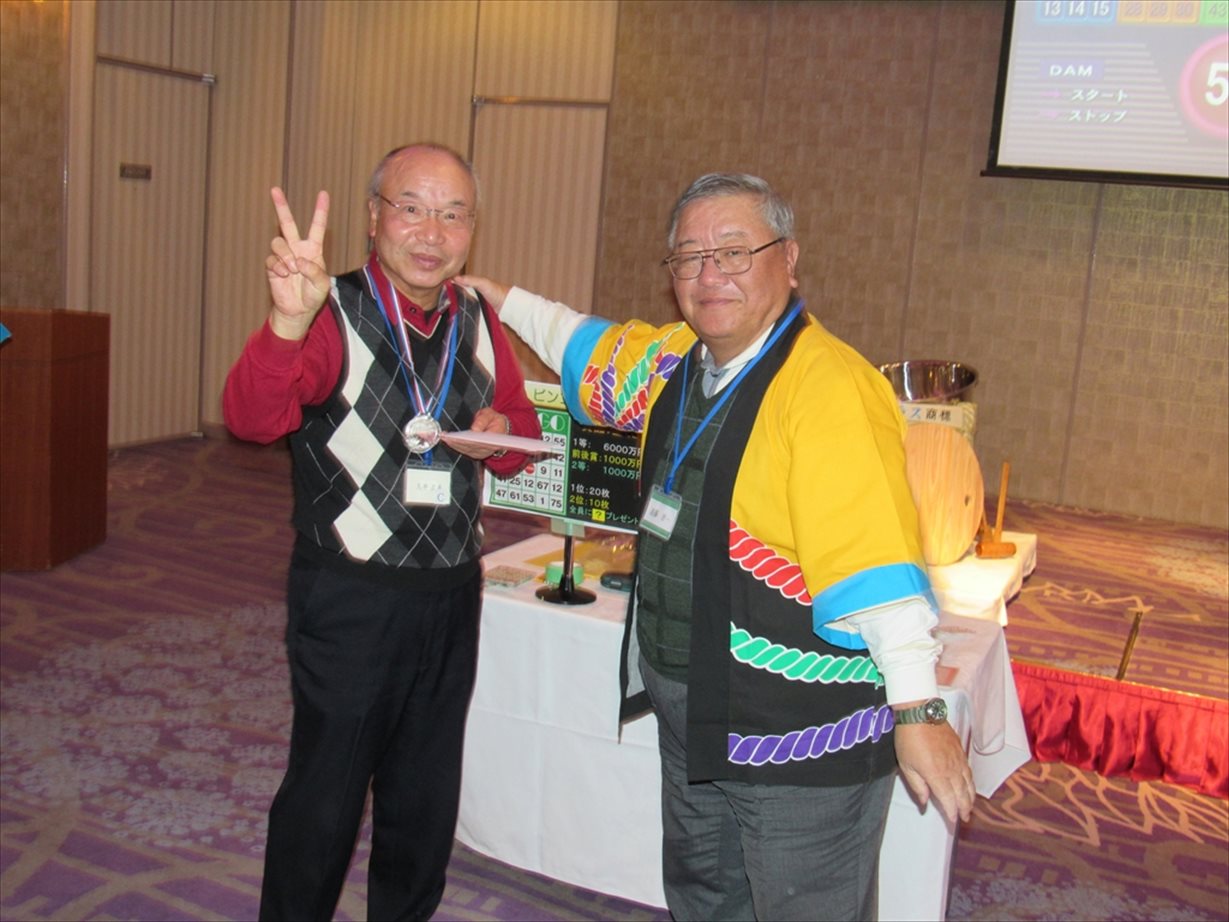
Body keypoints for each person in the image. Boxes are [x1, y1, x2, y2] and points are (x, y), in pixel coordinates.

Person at [458, 172, 976, 921]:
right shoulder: (678, 358)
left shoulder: (827, 387)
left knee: (803, 909)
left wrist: (918, 713)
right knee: (705, 897)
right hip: (696, 715)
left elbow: (876, 565)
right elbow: (588, 344)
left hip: (799, 737)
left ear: (787, 258)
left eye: (733, 252)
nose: (709, 276)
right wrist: (497, 298)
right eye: (689, 258)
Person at [223, 142, 541, 921]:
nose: (432, 232)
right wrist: (285, 323)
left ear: (472, 228)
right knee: (326, 797)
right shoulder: (328, 310)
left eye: (453, 214)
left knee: (423, 798)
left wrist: (498, 436)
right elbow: (252, 419)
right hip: (351, 595)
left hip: (451, 593)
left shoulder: (476, 318)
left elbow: (519, 437)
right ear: (373, 217)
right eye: (412, 208)